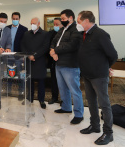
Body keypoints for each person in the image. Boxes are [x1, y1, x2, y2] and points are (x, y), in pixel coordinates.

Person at [77, 11, 118, 145]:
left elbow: (113, 55)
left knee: (104, 104)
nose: (78, 24)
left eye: (79, 21)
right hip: (87, 75)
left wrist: (105, 66)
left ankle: (108, 133)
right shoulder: (84, 34)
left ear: (86, 21)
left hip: (99, 76)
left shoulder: (100, 34)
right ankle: (95, 126)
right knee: (91, 102)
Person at [50, 9, 84, 124]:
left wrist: (55, 50)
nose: (62, 21)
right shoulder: (62, 29)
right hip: (58, 63)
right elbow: (54, 41)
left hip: (70, 64)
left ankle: (79, 114)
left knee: (74, 90)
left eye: (63, 19)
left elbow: (72, 45)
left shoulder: (76, 29)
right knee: (62, 88)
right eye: (61, 19)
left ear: (71, 18)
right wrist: (52, 51)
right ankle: (66, 107)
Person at [21, 17, 49, 109]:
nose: (32, 25)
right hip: (29, 61)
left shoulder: (45, 34)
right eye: (31, 23)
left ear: (38, 24)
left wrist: (35, 56)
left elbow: (45, 47)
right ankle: (30, 98)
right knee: (30, 81)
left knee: (41, 82)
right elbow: (22, 45)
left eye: (34, 23)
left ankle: (41, 100)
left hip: (40, 61)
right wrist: (28, 55)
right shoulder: (26, 34)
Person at [7, 12, 28, 100]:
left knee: (20, 75)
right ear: (11, 18)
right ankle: (8, 91)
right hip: (8, 56)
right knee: (9, 74)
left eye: (17, 19)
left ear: (19, 19)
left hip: (19, 56)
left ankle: (20, 92)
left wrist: (23, 56)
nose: (15, 20)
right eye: (14, 18)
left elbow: (25, 43)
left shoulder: (24, 29)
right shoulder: (7, 28)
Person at [48, 18, 63, 104]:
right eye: (54, 24)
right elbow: (49, 45)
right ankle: (54, 97)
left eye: (57, 24)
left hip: (63, 61)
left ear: (62, 24)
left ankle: (64, 100)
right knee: (54, 80)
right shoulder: (51, 33)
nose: (55, 26)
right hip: (53, 61)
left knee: (63, 82)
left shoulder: (65, 33)